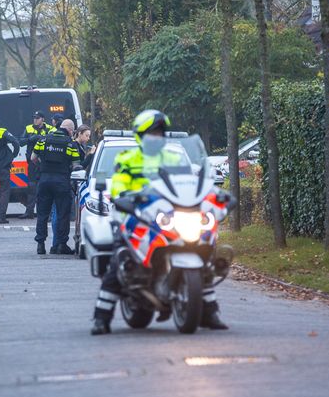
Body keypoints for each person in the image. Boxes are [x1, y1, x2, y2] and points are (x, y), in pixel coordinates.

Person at [91, 110, 229, 335]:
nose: (156, 137)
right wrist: (124, 196)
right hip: (134, 215)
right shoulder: (127, 158)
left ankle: (209, 313)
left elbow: (191, 185)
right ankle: (101, 318)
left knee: (203, 254)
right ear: (141, 135)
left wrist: (214, 195)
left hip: (168, 215)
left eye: (159, 132)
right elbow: (117, 185)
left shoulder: (173, 158)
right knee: (120, 260)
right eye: (151, 133)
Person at [32, 119, 81, 254]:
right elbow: (76, 165)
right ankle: (61, 245)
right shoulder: (70, 144)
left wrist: (43, 167)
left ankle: (40, 245)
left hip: (44, 180)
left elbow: (33, 158)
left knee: (42, 214)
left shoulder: (43, 140)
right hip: (61, 182)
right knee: (62, 214)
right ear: (70, 130)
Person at [21, 111, 56, 219]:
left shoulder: (50, 128)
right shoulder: (29, 128)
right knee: (31, 187)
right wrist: (29, 139)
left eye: (37, 118)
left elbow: (55, 139)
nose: (35, 120)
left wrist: (41, 138)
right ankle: (29, 212)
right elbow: (20, 142)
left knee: (46, 188)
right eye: (34, 118)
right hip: (32, 163)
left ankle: (48, 213)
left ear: (43, 119)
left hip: (45, 163)